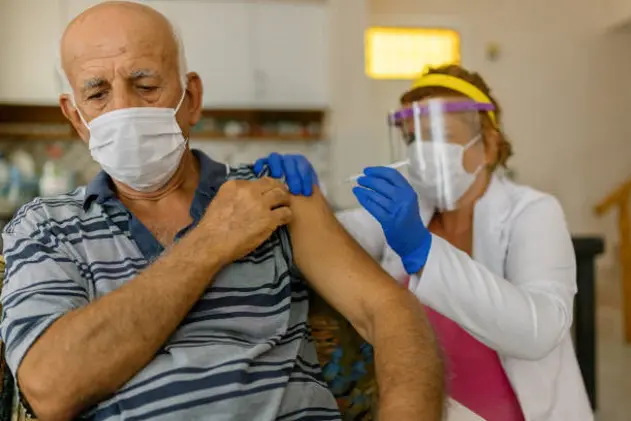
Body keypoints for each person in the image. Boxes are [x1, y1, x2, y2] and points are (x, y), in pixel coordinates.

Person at [0, 3, 445, 421]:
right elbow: (50, 387)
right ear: (76, 117)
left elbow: (390, 312)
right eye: (97, 93)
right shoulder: (43, 227)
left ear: (191, 97)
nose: (124, 110)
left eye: (146, 85)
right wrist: (212, 240)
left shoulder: (271, 193)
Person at [255, 64, 593, 421]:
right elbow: (334, 242)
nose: (422, 151)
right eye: (414, 138)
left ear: (489, 146)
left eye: (439, 136)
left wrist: (423, 250)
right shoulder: (409, 209)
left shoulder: (533, 212)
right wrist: (302, 201)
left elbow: (538, 332)